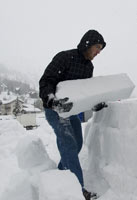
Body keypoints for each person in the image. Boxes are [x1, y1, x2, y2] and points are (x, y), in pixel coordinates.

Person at [39, 29, 107, 200]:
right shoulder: (64, 57)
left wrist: (95, 104)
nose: (99, 52)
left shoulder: (89, 67)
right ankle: (77, 189)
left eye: (101, 49)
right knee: (68, 143)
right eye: (97, 47)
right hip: (55, 109)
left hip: (72, 111)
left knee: (77, 143)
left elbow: (85, 92)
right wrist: (52, 100)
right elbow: (45, 81)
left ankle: (61, 176)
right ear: (88, 43)